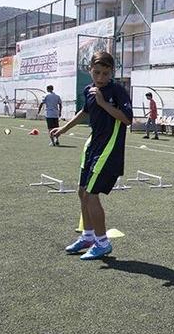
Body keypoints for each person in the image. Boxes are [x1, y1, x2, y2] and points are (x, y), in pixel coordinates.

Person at [53, 52, 132, 260]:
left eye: (105, 73)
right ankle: (88, 237)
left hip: (109, 149)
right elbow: (84, 113)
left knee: (91, 195)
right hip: (92, 146)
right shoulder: (89, 90)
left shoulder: (117, 91)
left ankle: (102, 243)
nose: (100, 78)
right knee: (81, 192)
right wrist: (63, 129)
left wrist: (104, 104)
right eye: (97, 72)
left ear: (111, 72)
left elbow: (127, 119)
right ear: (90, 70)